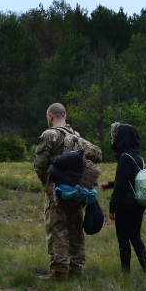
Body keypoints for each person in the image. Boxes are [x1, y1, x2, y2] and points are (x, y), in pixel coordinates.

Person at [33, 103, 102, 280]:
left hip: (56, 192)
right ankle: (76, 268)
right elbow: (97, 154)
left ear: (50, 116)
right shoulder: (77, 137)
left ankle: (59, 272)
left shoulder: (49, 135)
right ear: (65, 115)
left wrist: (47, 183)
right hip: (76, 191)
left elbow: (40, 165)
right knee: (75, 229)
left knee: (57, 230)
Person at [101, 122, 146, 279]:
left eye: (115, 136)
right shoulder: (138, 157)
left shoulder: (124, 157)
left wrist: (112, 208)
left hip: (125, 205)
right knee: (135, 237)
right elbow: (130, 180)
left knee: (123, 240)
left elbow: (121, 187)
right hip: (138, 203)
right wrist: (110, 184)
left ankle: (125, 274)